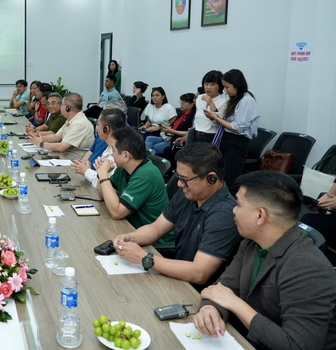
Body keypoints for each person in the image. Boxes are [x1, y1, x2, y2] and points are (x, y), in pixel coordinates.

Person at [194, 171, 336, 350]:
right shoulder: (252, 242)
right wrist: (211, 309)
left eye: (238, 204)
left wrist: (235, 303)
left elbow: (297, 345)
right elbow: (223, 288)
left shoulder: (309, 268)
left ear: (260, 215)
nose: (233, 209)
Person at [113, 143, 241, 286]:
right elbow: (157, 228)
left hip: (195, 292)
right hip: (174, 277)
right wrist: (130, 238)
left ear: (211, 178)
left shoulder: (224, 214)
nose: (179, 184)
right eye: (178, 177)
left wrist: (144, 258)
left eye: (185, 179)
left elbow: (199, 273)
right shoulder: (188, 193)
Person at [95, 127, 173, 244]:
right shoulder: (124, 169)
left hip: (155, 242)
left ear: (126, 155)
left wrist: (103, 174)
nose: (112, 154)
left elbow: (116, 212)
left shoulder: (146, 174)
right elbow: (103, 196)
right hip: (129, 229)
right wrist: (101, 174)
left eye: (113, 150)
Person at [204, 69, 259, 186]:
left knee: (230, 179)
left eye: (227, 87)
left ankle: (231, 203)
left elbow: (237, 128)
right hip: (228, 139)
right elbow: (228, 119)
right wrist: (214, 116)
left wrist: (216, 118)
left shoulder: (247, 101)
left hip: (237, 142)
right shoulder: (235, 99)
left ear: (237, 84)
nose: (225, 90)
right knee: (221, 176)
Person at [25, 92, 95, 160]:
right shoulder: (71, 120)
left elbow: (62, 147)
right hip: (63, 157)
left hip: (73, 163)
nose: (60, 107)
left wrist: (41, 143)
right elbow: (56, 137)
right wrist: (37, 137)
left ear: (68, 108)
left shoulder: (80, 123)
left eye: (62, 104)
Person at [71, 108, 125, 188]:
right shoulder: (109, 148)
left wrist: (86, 171)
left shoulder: (117, 153)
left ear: (106, 129)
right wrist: (88, 169)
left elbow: (105, 183)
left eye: (98, 125)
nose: (97, 128)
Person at [193, 70, 229, 144]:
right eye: (206, 84)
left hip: (212, 136)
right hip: (196, 134)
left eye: (213, 84)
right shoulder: (200, 97)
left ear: (220, 86)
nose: (208, 87)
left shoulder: (224, 100)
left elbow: (218, 122)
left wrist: (211, 103)